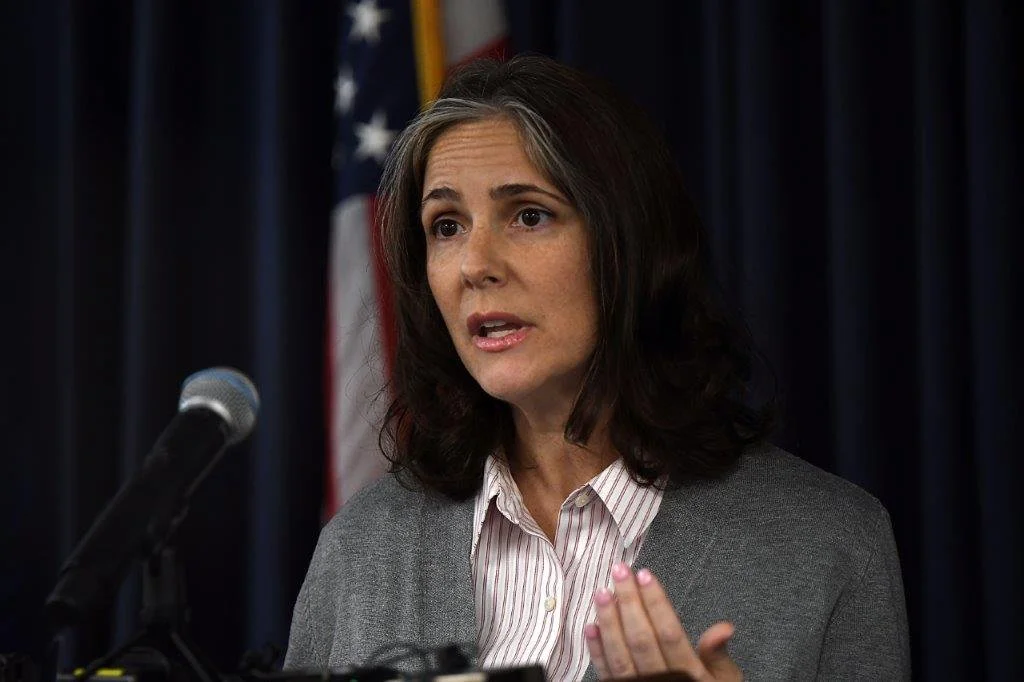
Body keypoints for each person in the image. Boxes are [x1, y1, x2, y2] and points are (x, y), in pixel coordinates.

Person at [284, 55, 910, 681]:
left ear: (627, 244)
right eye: (446, 226)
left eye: (529, 215)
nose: (475, 263)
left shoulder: (826, 541)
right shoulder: (361, 547)